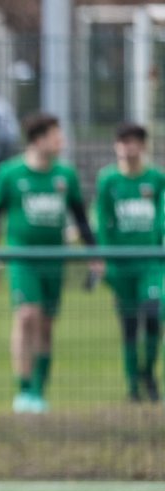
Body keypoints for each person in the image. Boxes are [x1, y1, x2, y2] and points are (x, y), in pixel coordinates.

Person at [0, 112, 102, 414]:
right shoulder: (9, 174)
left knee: (46, 325)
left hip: (54, 260)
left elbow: (81, 219)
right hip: (22, 259)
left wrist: (94, 254)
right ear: (38, 140)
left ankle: (38, 391)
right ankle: (22, 392)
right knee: (25, 316)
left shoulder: (65, 175)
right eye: (56, 136)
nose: (61, 142)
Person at [94, 122, 165, 402]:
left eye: (134, 141)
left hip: (150, 263)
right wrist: (101, 257)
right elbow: (102, 220)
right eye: (123, 142)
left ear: (143, 146)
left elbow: (161, 219)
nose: (129, 147)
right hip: (119, 265)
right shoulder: (108, 180)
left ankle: (148, 373)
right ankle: (132, 386)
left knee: (152, 317)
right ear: (116, 146)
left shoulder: (156, 179)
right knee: (128, 324)